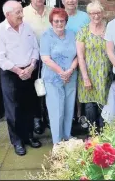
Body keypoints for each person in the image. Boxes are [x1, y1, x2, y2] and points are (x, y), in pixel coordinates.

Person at [0, 0, 42, 156]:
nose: (21, 15)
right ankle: (17, 141)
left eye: (21, 11)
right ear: (7, 14)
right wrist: (18, 70)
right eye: (17, 12)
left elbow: (35, 49)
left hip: (28, 71)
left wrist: (31, 67)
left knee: (29, 105)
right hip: (11, 74)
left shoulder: (27, 27)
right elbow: (1, 58)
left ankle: (29, 136)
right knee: (14, 109)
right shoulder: (0, 31)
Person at [40, 8, 78, 145]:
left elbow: (78, 55)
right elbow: (45, 58)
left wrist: (70, 70)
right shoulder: (46, 36)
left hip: (71, 77)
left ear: (66, 22)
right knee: (56, 111)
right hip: (53, 78)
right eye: (56, 21)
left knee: (68, 109)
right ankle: (57, 142)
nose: (59, 23)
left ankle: (67, 136)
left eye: (62, 21)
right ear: (51, 22)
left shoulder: (72, 35)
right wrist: (62, 72)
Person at [76, 0, 112, 133]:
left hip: (105, 75)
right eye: (92, 13)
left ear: (102, 13)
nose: (95, 16)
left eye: (98, 13)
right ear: (88, 15)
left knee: (105, 106)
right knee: (91, 106)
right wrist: (85, 78)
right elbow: (80, 56)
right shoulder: (83, 31)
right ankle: (92, 135)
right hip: (89, 75)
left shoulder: (109, 29)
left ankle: (104, 135)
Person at [23, 0, 53, 135]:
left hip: (50, 58)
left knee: (49, 89)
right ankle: (37, 120)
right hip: (31, 59)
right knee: (34, 90)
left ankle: (48, 117)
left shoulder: (52, 12)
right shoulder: (22, 14)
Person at [61, 0, 90, 129]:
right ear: (62, 0)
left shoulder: (84, 17)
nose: (71, 0)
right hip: (66, 61)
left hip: (83, 59)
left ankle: (82, 116)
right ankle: (70, 118)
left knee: (83, 89)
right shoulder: (59, 16)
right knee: (68, 90)